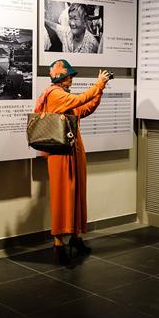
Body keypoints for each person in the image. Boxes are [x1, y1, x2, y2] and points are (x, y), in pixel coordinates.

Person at [34, 60, 110, 265]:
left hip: (74, 148)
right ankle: (58, 242)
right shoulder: (55, 94)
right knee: (62, 195)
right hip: (61, 152)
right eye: (69, 76)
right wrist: (99, 84)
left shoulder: (62, 96)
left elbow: (84, 109)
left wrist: (99, 92)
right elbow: (80, 100)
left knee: (77, 193)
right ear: (61, 77)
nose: (72, 80)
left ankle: (76, 237)